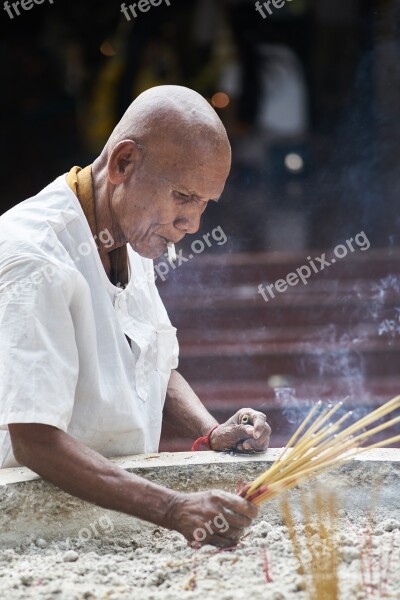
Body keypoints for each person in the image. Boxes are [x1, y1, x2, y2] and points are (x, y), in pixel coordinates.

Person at [0, 85, 271, 547]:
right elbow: (34, 439)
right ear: (124, 164)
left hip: (119, 513)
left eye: (205, 203)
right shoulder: (33, 258)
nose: (194, 224)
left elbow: (151, 366)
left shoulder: (129, 230)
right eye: (184, 196)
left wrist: (212, 430)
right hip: (31, 530)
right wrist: (173, 508)